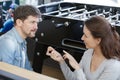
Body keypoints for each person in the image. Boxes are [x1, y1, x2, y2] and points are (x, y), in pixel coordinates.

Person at [46, 16, 120, 80]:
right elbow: (74, 79)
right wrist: (61, 61)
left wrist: (77, 68)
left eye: (86, 35)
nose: (82, 38)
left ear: (98, 40)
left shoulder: (113, 66)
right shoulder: (88, 53)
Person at [0, 5, 41, 70]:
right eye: (32, 22)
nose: (36, 27)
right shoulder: (8, 43)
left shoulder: (23, 41)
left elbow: (27, 69)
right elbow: (7, 75)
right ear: (19, 22)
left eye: (37, 23)